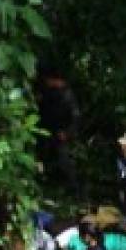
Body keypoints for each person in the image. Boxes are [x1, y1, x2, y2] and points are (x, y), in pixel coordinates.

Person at [37, 67, 81, 198]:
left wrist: (67, 132)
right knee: (48, 158)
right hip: (50, 131)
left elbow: (75, 117)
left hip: (62, 133)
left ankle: (73, 190)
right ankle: (52, 187)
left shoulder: (67, 95)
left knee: (63, 161)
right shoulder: (52, 92)